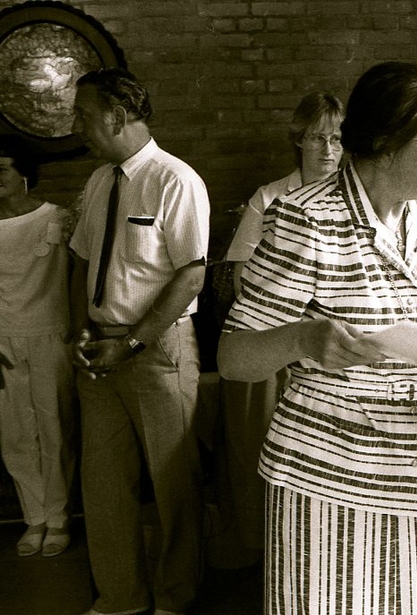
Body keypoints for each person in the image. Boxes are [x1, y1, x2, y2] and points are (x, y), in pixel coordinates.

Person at [217, 61, 417, 615]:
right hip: (328, 484)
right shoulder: (306, 218)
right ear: (384, 144)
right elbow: (234, 356)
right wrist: (303, 339)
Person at [69, 67, 210, 615]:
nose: (76, 126)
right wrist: (80, 331)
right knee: (103, 486)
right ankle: (121, 598)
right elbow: (82, 261)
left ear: (117, 115)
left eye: (83, 115)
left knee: (174, 485)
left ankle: (175, 597)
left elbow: (192, 276)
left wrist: (130, 343)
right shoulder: (99, 181)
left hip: (158, 352)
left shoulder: (176, 180)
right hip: (98, 355)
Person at [219, 91, 344, 556]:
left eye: (337, 139)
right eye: (317, 138)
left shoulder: (357, 198)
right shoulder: (271, 197)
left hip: (334, 351)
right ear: (299, 141)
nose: (328, 150)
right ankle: (267, 547)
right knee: (270, 451)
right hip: (277, 343)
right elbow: (243, 276)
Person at [0, 135, 75, 558]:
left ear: (24, 172)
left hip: (51, 335)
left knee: (54, 429)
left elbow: (78, 277)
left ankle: (59, 517)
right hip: (2, 340)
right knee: (15, 435)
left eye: (1, 169)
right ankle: (35, 518)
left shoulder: (57, 219)